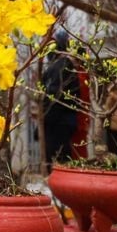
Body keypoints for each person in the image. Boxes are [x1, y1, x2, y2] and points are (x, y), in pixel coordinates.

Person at [41, 30, 80, 171]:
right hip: (63, 120)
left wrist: (45, 119)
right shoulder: (63, 65)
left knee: (58, 158)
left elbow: (54, 95)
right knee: (61, 156)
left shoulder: (60, 66)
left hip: (58, 121)